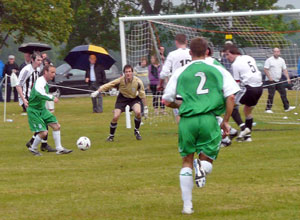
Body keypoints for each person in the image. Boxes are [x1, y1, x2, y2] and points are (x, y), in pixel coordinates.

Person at [162, 37, 239, 214]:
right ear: (207, 52)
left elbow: (166, 100)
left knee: (186, 161)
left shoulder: (181, 71)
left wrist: (181, 105)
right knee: (207, 159)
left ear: (190, 53)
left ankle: (187, 207)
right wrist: (226, 120)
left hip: (187, 121)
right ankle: (202, 167)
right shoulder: (217, 69)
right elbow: (231, 97)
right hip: (209, 119)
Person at [91, 64, 148, 142]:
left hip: (134, 98)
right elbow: (108, 85)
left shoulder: (138, 82)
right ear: (124, 73)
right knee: (115, 117)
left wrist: (145, 108)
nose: (128, 73)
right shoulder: (120, 80)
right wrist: (97, 91)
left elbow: (143, 95)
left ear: (132, 72)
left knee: (138, 112)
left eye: (129, 71)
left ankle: (136, 131)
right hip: (122, 98)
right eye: (126, 72)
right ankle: (111, 136)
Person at [26, 64, 72, 156]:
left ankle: (59, 149)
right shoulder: (40, 81)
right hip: (34, 110)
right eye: (52, 72)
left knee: (56, 126)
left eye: (54, 72)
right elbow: (39, 93)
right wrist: (52, 97)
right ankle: (33, 148)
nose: (53, 74)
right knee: (43, 132)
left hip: (42, 109)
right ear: (45, 72)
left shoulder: (45, 82)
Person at [16, 52, 56, 152]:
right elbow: (18, 85)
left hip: (36, 99)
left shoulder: (38, 70)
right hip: (28, 100)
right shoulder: (26, 70)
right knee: (43, 120)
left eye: (41, 60)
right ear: (32, 60)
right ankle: (38, 144)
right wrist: (23, 99)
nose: (40, 62)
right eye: (38, 60)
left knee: (44, 119)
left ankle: (39, 143)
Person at [225, 44, 263, 142]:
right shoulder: (249, 57)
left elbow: (236, 83)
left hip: (249, 89)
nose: (227, 57)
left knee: (231, 106)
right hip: (259, 88)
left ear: (232, 53)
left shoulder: (235, 64)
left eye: (227, 55)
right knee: (247, 110)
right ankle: (247, 137)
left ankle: (243, 128)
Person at [159, 34, 192, 123]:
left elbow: (164, 73)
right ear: (186, 42)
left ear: (176, 42)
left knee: (179, 111)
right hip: (192, 86)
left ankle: (183, 132)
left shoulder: (173, 54)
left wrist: (160, 84)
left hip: (179, 87)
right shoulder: (191, 53)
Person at [264, 48, 295, 113]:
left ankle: (287, 107)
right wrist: (270, 78)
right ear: (273, 52)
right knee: (271, 94)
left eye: (278, 51)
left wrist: (288, 78)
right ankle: (268, 109)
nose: (276, 53)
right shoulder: (269, 60)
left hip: (279, 80)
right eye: (275, 51)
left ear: (279, 52)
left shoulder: (281, 60)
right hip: (271, 80)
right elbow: (265, 69)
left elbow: (284, 70)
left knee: (283, 93)